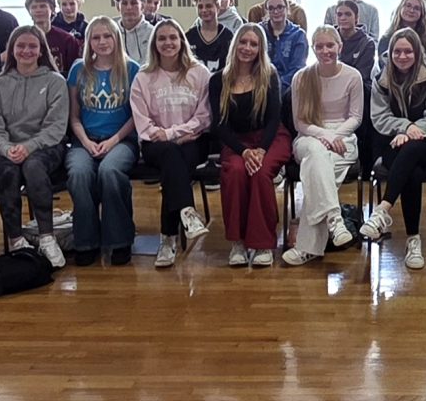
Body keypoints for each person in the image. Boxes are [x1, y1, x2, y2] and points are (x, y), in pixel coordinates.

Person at [0, 26, 72, 269]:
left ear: (41, 50)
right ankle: (15, 240)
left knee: (33, 167)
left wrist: (29, 146)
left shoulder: (55, 81)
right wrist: (6, 149)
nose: (26, 51)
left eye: (32, 46)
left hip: (46, 146)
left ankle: (46, 237)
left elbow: (56, 127)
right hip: (8, 149)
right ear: (11, 50)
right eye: (20, 46)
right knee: (7, 172)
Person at [360, 28, 426, 269]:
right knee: (412, 171)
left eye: (408, 51)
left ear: (417, 53)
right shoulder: (381, 80)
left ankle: (382, 210)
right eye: (397, 51)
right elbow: (379, 118)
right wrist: (405, 127)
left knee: (413, 151)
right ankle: (413, 239)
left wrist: (411, 132)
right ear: (389, 53)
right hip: (393, 142)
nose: (402, 56)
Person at [130, 19, 213, 269]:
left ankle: (168, 239)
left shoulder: (199, 73)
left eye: (173, 37)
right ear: (154, 44)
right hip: (155, 143)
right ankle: (187, 212)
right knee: (171, 157)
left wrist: (172, 133)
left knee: (173, 165)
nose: (168, 43)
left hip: (193, 140)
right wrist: (168, 136)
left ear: (181, 41)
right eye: (162, 38)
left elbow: (204, 116)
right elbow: (142, 121)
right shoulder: (143, 77)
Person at [282, 26, 365, 268]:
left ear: (340, 46)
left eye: (330, 45)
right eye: (319, 46)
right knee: (316, 155)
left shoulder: (353, 76)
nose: (325, 50)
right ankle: (335, 220)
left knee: (316, 174)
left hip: (343, 138)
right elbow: (300, 122)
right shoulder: (302, 77)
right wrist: (325, 136)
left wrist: (334, 136)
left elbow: (356, 117)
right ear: (313, 49)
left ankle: (308, 248)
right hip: (309, 136)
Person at [209, 23, 290, 267]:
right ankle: (238, 242)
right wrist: (243, 151)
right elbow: (219, 125)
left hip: (270, 138)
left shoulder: (269, 74)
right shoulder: (218, 80)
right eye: (243, 42)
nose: (247, 48)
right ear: (235, 45)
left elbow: (274, 118)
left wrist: (261, 150)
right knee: (235, 171)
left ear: (260, 49)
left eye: (254, 44)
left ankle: (263, 243)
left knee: (260, 172)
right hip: (237, 142)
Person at [60, 16, 138, 267]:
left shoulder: (132, 69)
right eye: (96, 37)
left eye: (107, 36)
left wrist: (113, 141)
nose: (102, 42)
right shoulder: (78, 70)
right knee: (79, 174)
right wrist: (85, 141)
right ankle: (86, 241)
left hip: (122, 140)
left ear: (117, 38)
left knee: (110, 171)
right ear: (88, 41)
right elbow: (74, 117)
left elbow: (136, 116)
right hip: (84, 140)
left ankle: (119, 240)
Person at [24, 0, 85, 73]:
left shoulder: (67, 40)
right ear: (29, 11)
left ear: (52, 9)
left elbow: (75, 71)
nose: (38, 10)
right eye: (34, 7)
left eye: (42, 6)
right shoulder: (23, 39)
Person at [259, 0, 309, 85]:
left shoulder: (298, 35)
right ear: (267, 11)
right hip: (261, 85)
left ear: (287, 9)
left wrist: (277, 86)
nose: (276, 12)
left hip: (289, 86)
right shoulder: (259, 32)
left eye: (280, 7)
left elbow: (297, 68)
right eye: (271, 8)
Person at [185, 0, 234, 72]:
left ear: (218, 7)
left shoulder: (228, 37)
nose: (204, 10)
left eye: (208, 6)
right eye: (200, 7)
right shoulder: (189, 36)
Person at [384, 0, 426, 71]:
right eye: (408, 6)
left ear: (422, 13)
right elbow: (384, 65)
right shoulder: (387, 37)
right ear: (400, 8)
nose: (411, 10)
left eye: (416, 8)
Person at [331, 0, 378, 80]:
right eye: (339, 14)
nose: (343, 18)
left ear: (356, 18)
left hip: (358, 83)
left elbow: (362, 75)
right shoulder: (330, 39)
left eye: (348, 14)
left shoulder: (367, 43)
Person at [113, 0, 156, 66]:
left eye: (134, 3)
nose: (129, 7)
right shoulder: (111, 31)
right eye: (124, 3)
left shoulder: (153, 33)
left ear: (142, 6)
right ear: (118, 7)